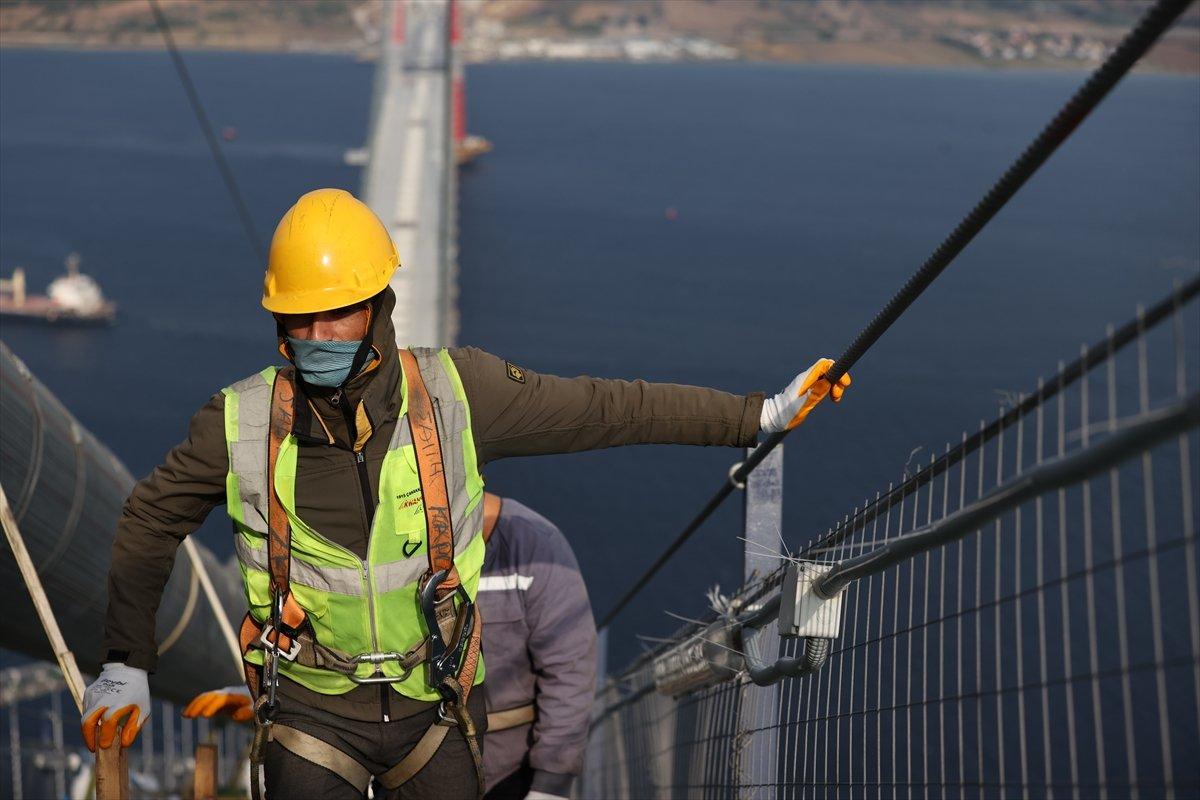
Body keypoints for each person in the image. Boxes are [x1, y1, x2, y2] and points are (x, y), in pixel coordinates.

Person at [79, 188, 851, 799]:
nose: (319, 334)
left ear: (380, 309)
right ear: (278, 322)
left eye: (340, 311)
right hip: (310, 710)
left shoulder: (457, 393)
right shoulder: (239, 421)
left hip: (436, 706)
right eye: (300, 317)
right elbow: (150, 518)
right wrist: (125, 660)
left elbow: (603, 408)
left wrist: (758, 416)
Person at [182, 493, 595, 800]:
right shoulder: (398, 547)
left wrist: (550, 785)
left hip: (510, 773)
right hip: (406, 764)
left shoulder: (535, 547)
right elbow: (347, 647)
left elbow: (570, 674)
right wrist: (278, 699)